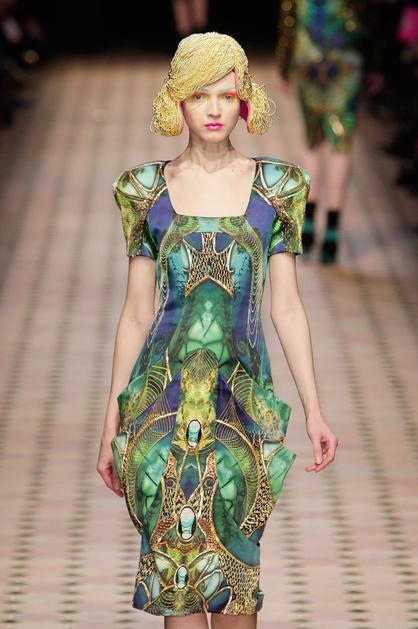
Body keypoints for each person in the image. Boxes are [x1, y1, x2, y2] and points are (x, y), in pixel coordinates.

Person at [97, 31, 339, 626]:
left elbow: (287, 306)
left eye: (227, 96)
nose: (213, 109)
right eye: (199, 95)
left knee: (235, 580)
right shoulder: (144, 191)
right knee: (179, 580)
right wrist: (110, 423)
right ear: (176, 101)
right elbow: (136, 313)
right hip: (162, 408)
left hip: (243, 407)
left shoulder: (276, 189)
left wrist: (314, 409)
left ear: (245, 102)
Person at [276, 0, 365, 264]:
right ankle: (332, 234)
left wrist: (284, 66)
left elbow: (289, 21)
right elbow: (366, 22)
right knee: (341, 143)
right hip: (346, 60)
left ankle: (309, 224)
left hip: (308, 60)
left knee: (311, 139)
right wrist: (377, 64)